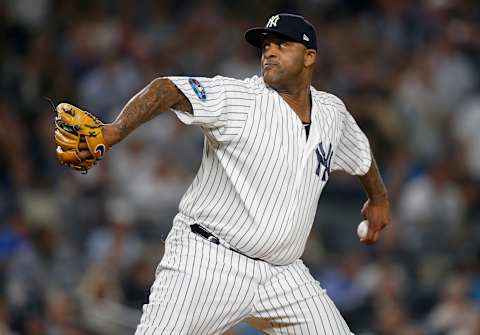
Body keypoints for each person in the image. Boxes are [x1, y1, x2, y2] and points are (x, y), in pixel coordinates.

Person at [77, 13, 391, 335]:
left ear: (309, 57)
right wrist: (115, 130)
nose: (269, 51)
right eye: (266, 45)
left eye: (282, 44)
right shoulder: (240, 98)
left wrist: (378, 197)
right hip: (209, 262)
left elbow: (360, 153)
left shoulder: (332, 113)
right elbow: (167, 88)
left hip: (284, 276)